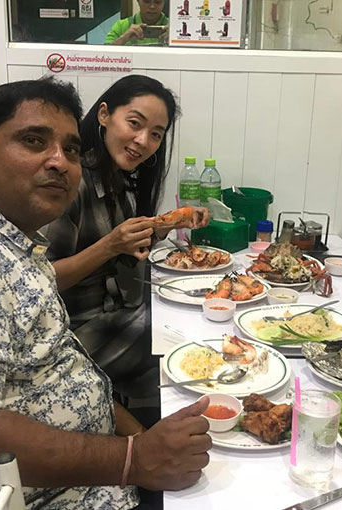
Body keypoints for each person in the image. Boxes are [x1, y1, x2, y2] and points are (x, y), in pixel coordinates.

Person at [0, 77, 211, 510]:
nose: (60, 163)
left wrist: (140, 439)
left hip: (87, 477)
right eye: (33, 141)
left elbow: (66, 365)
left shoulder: (12, 242)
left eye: (71, 149)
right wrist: (135, 459)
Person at [43, 75, 209, 389]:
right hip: (76, 335)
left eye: (156, 134)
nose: (143, 141)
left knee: (192, 314)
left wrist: (172, 222)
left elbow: (126, 244)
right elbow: (41, 279)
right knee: (187, 343)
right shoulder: (73, 183)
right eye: (135, 123)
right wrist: (110, 245)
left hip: (120, 314)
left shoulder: (116, 177)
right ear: (104, 115)